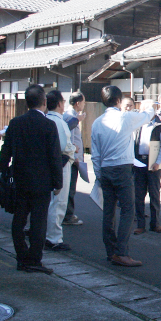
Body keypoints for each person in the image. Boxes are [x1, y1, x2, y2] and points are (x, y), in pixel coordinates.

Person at [0, 84, 63, 274]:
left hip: (20, 179)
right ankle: (34, 258)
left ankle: (22, 256)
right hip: (42, 182)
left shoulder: (16, 122)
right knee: (38, 221)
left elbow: (6, 151)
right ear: (44, 102)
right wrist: (58, 182)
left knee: (19, 219)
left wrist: (3, 172)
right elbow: (54, 156)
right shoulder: (48, 125)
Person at [91, 86, 156, 267]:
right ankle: (121, 252)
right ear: (119, 101)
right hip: (122, 168)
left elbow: (95, 154)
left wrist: (98, 173)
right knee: (128, 210)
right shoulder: (125, 118)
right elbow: (146, 116)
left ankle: (111, 251)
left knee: (108, 211)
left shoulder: (97, 122)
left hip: (105, 168)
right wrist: (151, 106)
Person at [44, 90, 76, 252]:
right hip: (61, 165)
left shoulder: (45, 119)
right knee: (58, 203)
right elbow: (64, 146)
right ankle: (54, 237)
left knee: (47, 203)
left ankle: (46, 234)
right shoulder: (59, 121)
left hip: (45, 166)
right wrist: (73, 149)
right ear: (58, 103)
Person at [132, 100, 161, 235]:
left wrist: (158, 162)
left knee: (154, 194)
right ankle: (140, 224)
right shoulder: (137, 125)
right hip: (138, 162)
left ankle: (155, 223)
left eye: (148, 109)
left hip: (154, 162)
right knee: (139, 195)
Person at [63, 91, 87, 226]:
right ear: (78, 103)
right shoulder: (71, 117)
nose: (84, 104)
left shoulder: (71, 115)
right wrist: (75, 156)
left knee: (69, 187)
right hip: (72, 158)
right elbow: (71, 138)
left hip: (72, 157)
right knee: (70, 188)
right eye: (83, 102)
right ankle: (68, 215)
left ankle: (67, 213)